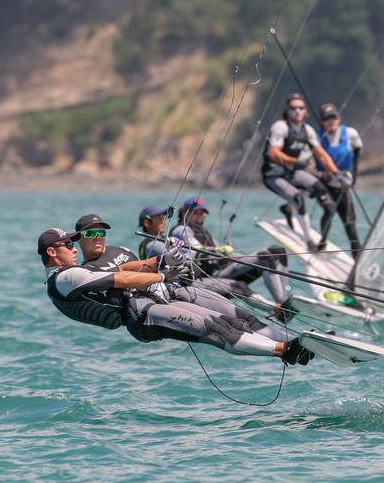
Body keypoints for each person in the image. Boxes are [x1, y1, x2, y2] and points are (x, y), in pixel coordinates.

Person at [39, 226, 313, 365]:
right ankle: (283, 351)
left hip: (154, 301)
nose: (74, 249)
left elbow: (124, 267)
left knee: (232, 316)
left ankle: (293, 342)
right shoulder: (65, 278)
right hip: (142, 317)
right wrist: (161, 276)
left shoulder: (76, 271)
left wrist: (162, 262)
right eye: (68, 245)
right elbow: (121, 278)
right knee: (216, 329)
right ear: (52, 252)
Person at [169, 197, 297, 321]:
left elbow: (222, 252)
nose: (200, 217)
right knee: (265, 257)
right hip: (207, 276)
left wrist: (235, 255)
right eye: (196, 213)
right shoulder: (181, 229)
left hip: (223, 269)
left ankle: (283, 301)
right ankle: (280, 308)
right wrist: (219, 250)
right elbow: (197, 250)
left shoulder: (203, 231)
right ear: (184, 212)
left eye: (202, 214)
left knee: (277, 251)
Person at [261, 93, 342, 250]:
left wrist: (337, 173)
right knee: (298, 198)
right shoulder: (281, 127)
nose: (297, 111)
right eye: (293, 108)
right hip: (273, 175)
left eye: (301, 108)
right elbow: (273, 154)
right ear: (287, 111)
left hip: (292, 173)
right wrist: (294, 161)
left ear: (305, 111)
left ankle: (290, 208)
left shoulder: (308, 130)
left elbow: (322, 155)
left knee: (321, 189)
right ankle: (309, 240)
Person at [315, 103, 362, 257]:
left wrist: (353, 175)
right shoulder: (317, 137)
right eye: (327, 119)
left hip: (342, 183)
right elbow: (310, 162)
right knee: (329, 210)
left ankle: (358, 257)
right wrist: (323, 175)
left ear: (339, 119)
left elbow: (358, 149)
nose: (331, 121)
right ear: (322, 122)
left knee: (349, 223)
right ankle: (322, 242)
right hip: (324, 183)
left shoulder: (350, 133)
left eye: (333, 117)